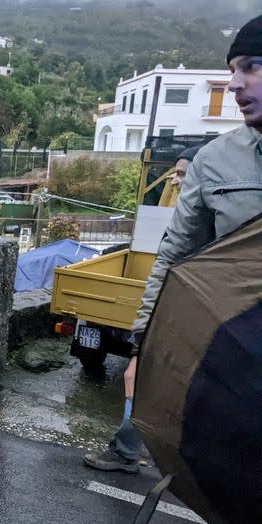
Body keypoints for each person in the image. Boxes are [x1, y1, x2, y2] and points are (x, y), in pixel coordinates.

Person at [125, 16, 262, 524]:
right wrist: (142, 346)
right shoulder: (216, 161)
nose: (235, 83)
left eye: (251, 66)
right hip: (239, 375)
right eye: (234, 70)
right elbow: (175, 263)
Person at [83, 144, 201, 475]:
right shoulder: (185, 215)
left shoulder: (202, 218)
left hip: (187, 316)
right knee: (141, 378)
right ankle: (131, 450)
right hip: (172, 314)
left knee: (152, 382)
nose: (175, 182)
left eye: (183, 174)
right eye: (174, 173)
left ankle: (135, 453)